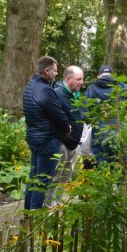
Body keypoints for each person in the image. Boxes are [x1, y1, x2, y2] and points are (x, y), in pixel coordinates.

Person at [22, 56, 71, 210]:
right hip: (47, 140)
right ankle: (34, 218)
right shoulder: (45, 90)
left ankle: (27, 215)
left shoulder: (30, 87)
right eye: (55, 71)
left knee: (34, 178)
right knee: (42, 180)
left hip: (35, 138)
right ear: (47, 71)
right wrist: (67, 128)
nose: (57, 74)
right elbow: (58, 115)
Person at [84, 65, 127, 164]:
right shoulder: (123, 87)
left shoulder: (91, 88)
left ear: (99, 76)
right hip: (119, 131)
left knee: (101, 166)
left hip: (98, 133)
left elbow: (85, 113)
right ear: (113, 75)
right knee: (120, 164)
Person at [51, 65, 85, 199]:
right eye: (79, 79)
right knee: (55, 178)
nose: (81, 82)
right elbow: (54, 119)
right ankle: (48, 211)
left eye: (82, 79)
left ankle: (57, 207)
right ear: (68, 79)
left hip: (74, 145)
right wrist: (64, 137)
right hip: (62, 144)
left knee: (64, 180)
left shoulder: (76, 95)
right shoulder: (57, 94)